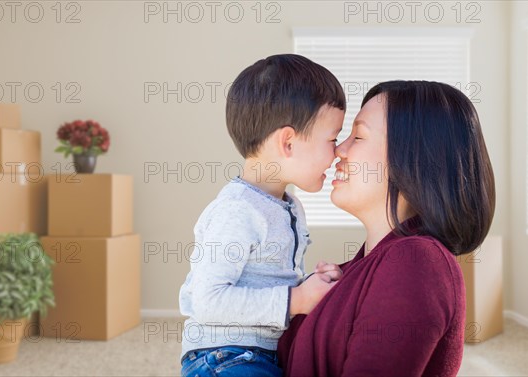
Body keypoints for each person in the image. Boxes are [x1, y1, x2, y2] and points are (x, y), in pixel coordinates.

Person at [278, 80, 496, 377]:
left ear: (413, 159)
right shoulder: (360, 269)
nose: (338, 150)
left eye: (358, 136)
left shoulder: (418, 263)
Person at [179, 54, 347, 377]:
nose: (338, 151)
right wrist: (295, 300)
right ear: (288, 142)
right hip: (224, 357)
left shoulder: (288, 206)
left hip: (260, 354)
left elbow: (266, 282)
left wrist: (309, 286)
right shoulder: (238, 210)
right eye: (333, 139)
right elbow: (207, 301)